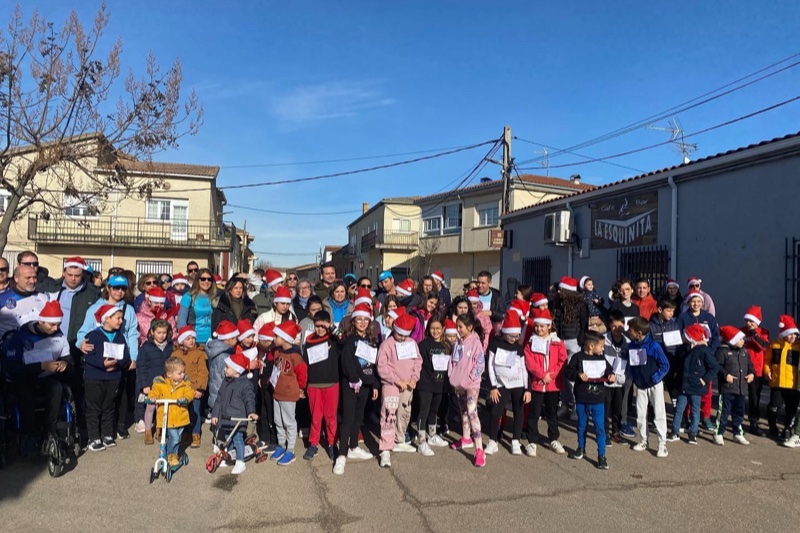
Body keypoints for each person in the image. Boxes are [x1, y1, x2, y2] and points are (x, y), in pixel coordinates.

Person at [4, 301, 71, 455]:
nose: (55, 329)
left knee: (57, 387)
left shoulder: (59, 336)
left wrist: (64, 364)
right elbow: (13, 369)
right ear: (41, 321)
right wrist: (40, 367)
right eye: (51, 325)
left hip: (47, 377)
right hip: (24, 378)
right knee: (25, 391)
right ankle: (31, 434)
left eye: (58, 325)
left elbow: (69, 360)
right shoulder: (21, 337)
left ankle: (51, 431)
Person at [77, 274, 139, 439]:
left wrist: (133, 357)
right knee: (98, 398)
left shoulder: (129, 310)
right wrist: (80, 343)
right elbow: (84, 331)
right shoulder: (95, 308)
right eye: (116, 288)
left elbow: (132, 333)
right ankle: (95, 432)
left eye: (123, 288)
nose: (119, 291)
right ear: (108, 288)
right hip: (98, 361)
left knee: (120, 392)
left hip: (120, 356)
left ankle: (119, 426)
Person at [335, 303, 380, 475]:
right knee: (348, 419)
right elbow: (346, 362)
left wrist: (375, 384)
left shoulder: (370, 341)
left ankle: (353, 446)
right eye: (358, 319)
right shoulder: (350, 341)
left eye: (365, 320)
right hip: (351, 386)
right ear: (353, 322)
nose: (362, 322)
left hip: (366, 386)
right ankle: (342, 454)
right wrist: (354, 380)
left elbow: (372, 364)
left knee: (358, 418)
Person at [83, 304, 131, 452]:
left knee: (109, 406)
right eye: (118, 318)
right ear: (107, 319)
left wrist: (117, 363)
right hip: (95, 377)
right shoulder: (93, 335)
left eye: (122, 318)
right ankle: (93, 436)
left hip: (113, 376)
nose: (121, 321)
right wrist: (102, 364)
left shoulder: (119, 336)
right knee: (94, 407)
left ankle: (107, 434)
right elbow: (89, 356)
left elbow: (125, 356)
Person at [375, 313, 421, 468]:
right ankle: (385, 448)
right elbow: (381, 366)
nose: (402, 338)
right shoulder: (387, 344)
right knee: (389, 415)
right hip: (392, 385)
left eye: (405, 335)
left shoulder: (412, 343)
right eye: (399, 334)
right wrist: (396, 380)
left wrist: (414, 378)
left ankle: (399, 439)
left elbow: (417, 361)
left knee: (404, 413)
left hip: (408, 385)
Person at [565, 330, 614, 469]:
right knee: (581, 425)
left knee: (599, 427)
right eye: (601, 346)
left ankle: (601, 455)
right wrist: (578, 374)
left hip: (598, 400)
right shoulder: (577, 357)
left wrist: (611, 376)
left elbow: (609, 371)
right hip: (581, 399)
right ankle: (581, 448)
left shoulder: (602, 359)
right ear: (591, 346)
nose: (603, 349)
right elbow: (568, 372)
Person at [523, 308, 567, 457]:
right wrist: (542, 375)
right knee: (533, 413)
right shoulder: (531, 343)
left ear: (549, 326)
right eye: (537, 326)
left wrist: (551, 375)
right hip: (537, 383)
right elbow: (529, 361)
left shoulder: (557, 342)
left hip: (553, 384)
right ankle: (532, 441)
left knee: (552, 413)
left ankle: (553, 438)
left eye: (542, 326)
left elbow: (562, 360)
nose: (539, 329)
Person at [486, 312, 530, 456]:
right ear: (504, 333)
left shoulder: (518, 348)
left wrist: (527, 388)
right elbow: (490, 366)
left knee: (518, 412)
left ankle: (515, 440)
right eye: (511, 336)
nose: (513, 339)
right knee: (495, 412)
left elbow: (523, 368)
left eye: (516, 336)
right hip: (500, 384)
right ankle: (493, 441)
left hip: (517, 384)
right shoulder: (495, 344)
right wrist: (493, 386)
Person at [667, 324, 718, 445]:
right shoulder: (683, 349)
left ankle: (693, 433)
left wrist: (705, 379)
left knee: (695, 410)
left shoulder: (704, 351)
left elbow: (714, 367)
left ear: (690, 337)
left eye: (685, 335)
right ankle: (674, 431)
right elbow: (677, 365)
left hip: (696, 386)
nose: (683, 337)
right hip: (683, 385)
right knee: (679, 408)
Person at [677, 289, 721, 431]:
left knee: (706, 391)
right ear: (688, 302)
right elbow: (676, 335)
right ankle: (687, 417)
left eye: (699, 302)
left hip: (704, 358)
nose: (696, 304)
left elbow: (715, 338)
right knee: (688, 389)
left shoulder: (709, 317)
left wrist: (708, 350)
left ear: (702, 303)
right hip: (688, 358)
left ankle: (706, 417)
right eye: (693, 301)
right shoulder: (683, 317)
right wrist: (685, 344)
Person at [627, 317, 670, 458]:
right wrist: (633, 377)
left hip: (654, 385)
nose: (628, 332)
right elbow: (631, 364)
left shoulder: (654, 346)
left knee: (659, 413)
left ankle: (662, 444)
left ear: (639, 333)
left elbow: (665, 365)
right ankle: (643, 440)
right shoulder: (632, 345)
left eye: (630, 330)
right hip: (640, 385)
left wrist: (655, 378)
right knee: (640, 414)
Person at [210, 350, 258, 475]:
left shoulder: (245, 384)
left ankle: (240, 462)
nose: (225, 370)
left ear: (237, 371)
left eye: (227, 367)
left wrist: (251, 412)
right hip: (226, 418)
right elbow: (219, 399)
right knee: (228, 438)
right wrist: (215, 414)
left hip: (238, 419)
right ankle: (230, 457)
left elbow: (249, 399)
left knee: (237, 439)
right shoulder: (226, 382)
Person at [301, 310, 340, 462]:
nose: (319, 329)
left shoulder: (334, 340)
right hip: (314, 385)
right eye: (317, 326)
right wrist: (303, 386)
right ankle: (313, 443)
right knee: (316, 417)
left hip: (331, 384)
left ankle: (331, 442)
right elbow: (305, 365)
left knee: (331, 416)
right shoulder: (309, 342)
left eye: (322, 326)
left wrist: (330, 327)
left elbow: (344, 338)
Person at [448, 313, 486, 467]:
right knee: (462, 410)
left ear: (470, 327)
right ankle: (466, 438)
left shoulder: (476, 343)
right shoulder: (458, 342)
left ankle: (479, 449)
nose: (458, 329)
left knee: (472, 412)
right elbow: (453, 360)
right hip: (458, 383)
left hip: (471, 384)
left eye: (460, 327)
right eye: (457, 326)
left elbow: (480, 363)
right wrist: (452, 374)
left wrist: (470, 378)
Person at [269, 321, 306, 466]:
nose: (274, 339)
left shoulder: (295, 356)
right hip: (277, 392)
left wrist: (301, 388)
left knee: (289, 422)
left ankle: (290, 450)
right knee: (278, 421)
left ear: (284, 338)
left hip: (289, 394)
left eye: (276, 336)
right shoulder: (277, 351)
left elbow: (302, 374)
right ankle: (280, 445)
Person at [414, 313, 450, 457]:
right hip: (426, 383)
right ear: (428, 329)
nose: (435, 331)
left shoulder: (446, 345)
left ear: (443, 329)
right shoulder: (423, 345)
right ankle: (422, 441)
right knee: (424, 410)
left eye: (438, 328)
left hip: (440, 383)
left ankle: (433, 435)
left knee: (434, 410)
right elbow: (419, 363)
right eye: (432, 328)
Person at [148, 357, 195, 467]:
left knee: (177, 438)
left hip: (180, 416)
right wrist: (152, 398)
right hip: (167, 418)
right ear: (169, 374)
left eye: (183, 372)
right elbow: (153, 392)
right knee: (175, 438)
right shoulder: (160, 384)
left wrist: (185, 398)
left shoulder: (184, 384)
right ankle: (170, 454)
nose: (182, 375)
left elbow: (189, 393)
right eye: (180, 373)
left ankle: (173, 453)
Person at [552, 276, 588, 413]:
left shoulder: (580, 305)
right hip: (559, 341)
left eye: (561, 290)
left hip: (574, 342)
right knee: (561, 374)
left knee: (573, 376)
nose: (559, 292)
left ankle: (575, 407)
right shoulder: (557, 304)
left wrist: (580, 340)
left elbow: (584, 324)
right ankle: (565, 404)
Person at [713, 326, 755, 446]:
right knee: (724, 411)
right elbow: (717, 366)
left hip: (741, 388)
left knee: (739, 412)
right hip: (727, 388)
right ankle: (719, 433)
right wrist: (726, 375)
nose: (743, 341)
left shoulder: (744, 351)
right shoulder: (722, 351)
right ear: (732, 339)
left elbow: (749, 365)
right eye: (740, 339)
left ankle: (738, 432)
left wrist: (751, 373)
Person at [136, 319, 174, 445]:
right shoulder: (146, 347)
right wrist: (145, 385)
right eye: (159, 332)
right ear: (152, 332)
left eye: (164, 332)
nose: (162, 335)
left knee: (162, 408)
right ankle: (148, 431)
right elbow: (141, 367)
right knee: (150, 407)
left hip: (165, 383)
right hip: (151, 384)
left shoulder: (170, 346)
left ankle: (159, 430)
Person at [766, 315, 800, 442]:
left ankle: (787, 428)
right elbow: (767, 360)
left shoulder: (798, 346)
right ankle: (772, 427)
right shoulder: (774, 345)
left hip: (792, 384)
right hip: (777, 382)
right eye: (790, 334)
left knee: (791, 408)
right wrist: (767, 371)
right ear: (784, 334)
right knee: (774, 406)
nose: (793, 337)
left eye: (795, 334)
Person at [173, 326, 208, 448]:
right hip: (179, 389)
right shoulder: (175, 354)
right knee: (182, 412)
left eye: (193, 338)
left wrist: (200, 389)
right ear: (181, 340)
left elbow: (203, 373)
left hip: (194, 389)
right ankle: (184, 434)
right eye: (188, 338)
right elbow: (170, 372)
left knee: (195, 412)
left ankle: (195, 433)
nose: (191, 341)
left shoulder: (199, 354)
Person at [741, 306, 770, 436]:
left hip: (757, 371)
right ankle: (738, 420)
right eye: (747, 320)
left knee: (754, 398)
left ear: (757, 321)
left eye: (751, 321)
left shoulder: (763, 332)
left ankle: (753, 422)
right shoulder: (741, 331)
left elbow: (763, 347)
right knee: (739, 395)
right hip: (741, 368)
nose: (748, 323)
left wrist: (754, 334)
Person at [603, 311, 630, 445]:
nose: (617, 329)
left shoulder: (628, 342)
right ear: (609, 326)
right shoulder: (603, 339)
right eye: (613, 326)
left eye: (620, 326)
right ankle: (605, 433)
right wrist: (608, 373)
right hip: (607, 380)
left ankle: (615, 432)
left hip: (620, 381)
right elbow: (600, 358)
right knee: (605, 408)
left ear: (624, 326)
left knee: (617, 409)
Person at [205, 321, 240, 424]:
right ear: (229, 339)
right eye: (235, 338)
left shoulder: (215, 351)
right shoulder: (224, 356)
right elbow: (226, 374)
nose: (237, 341)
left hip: (214, 392)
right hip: (222, 394)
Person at [177, 268, 216, 345]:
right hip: (195, 340)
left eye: (209, 279)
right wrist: (185, 339)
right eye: (203, 279)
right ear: (197, 280)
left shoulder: (214, 297)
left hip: (212, 340)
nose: (206, 281)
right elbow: (181, 320)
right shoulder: (188, 297)